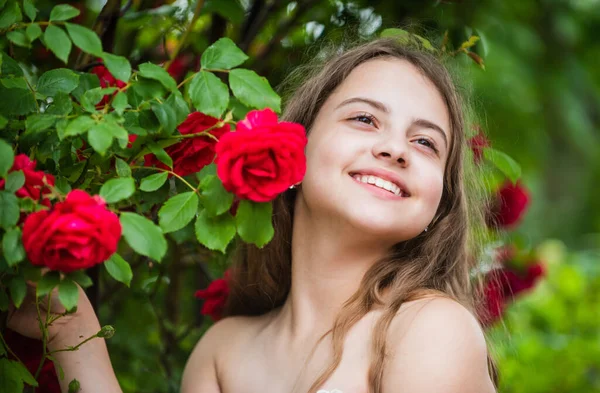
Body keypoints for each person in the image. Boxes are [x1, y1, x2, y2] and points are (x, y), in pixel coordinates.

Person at [8, 38, 497, 393]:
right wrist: (72, 333)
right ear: (293, 149)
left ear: (440, 204)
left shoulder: (430, 330)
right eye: (364, 118)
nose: (394, 149)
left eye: (425, 142)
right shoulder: (223, 351)